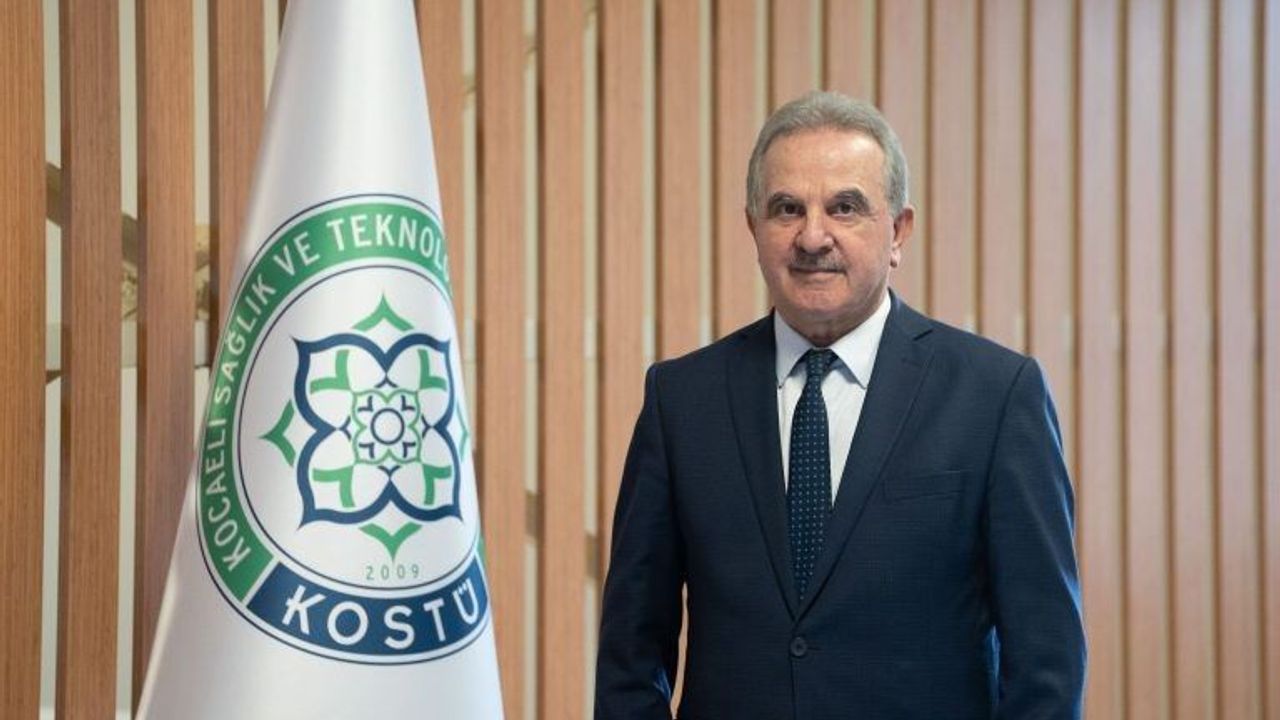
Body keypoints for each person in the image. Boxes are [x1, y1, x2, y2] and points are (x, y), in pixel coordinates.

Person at [594, 91, 1086, 719]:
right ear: (753, 229)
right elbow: (631, 656)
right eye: (786, 209)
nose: (813, 236)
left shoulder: (996, 395)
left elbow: (1048, 664)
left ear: (898, 231)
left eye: (845, 207)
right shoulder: (681, 401)